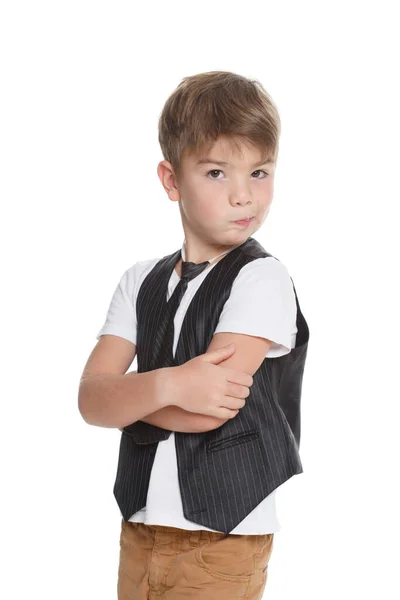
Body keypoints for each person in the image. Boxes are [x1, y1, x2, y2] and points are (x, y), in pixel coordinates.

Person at [79, 70, 310, 600]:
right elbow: (90, 400)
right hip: (139, 526)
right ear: (171, 180)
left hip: (224, 535)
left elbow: (209, 407)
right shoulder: (140, 280)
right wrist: (169, 384)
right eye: (215, 173)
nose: (241, 196)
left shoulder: (262, 277)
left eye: (259, 172)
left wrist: (128, 398)